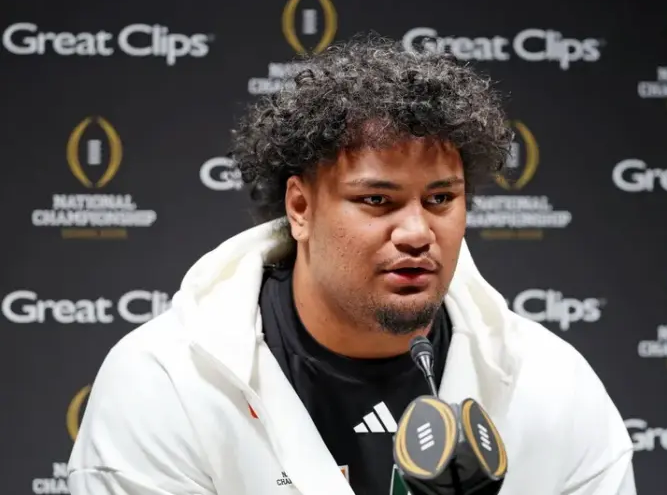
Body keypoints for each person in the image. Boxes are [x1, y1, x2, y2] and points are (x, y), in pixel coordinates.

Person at [67, 34, 636, 495]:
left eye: (441, 199)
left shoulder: (552, 384)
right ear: (300, 207)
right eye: (377, 201)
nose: (417, 232)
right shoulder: (165, 382)